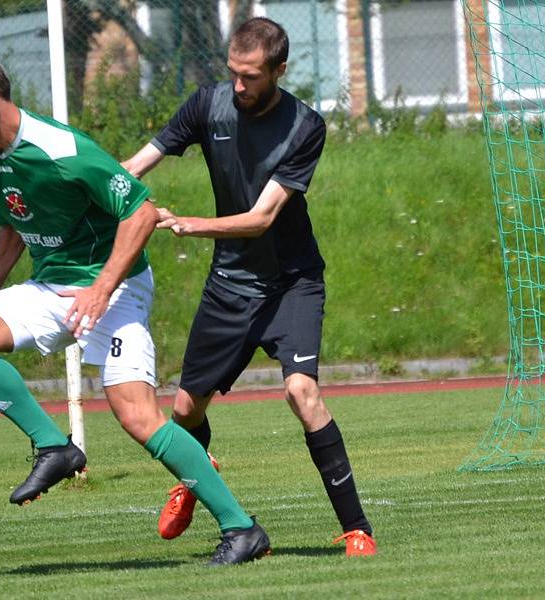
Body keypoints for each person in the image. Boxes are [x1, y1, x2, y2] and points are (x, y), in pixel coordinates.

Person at [0, 52, 271, 566]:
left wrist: (102, 288)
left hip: (117, 289)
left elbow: (139, 212)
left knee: (138, 417)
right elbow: (13, 227)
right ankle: (55, 447)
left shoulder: (64, 150)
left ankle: (242, 530)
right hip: (54, 287)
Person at [122, 17, 376, 557]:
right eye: (234, 74)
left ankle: (357, 530)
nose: (239, 87)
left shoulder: (305, 126)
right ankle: (197, 472)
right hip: (230, 285)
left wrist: (189, 223)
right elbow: (140, 163)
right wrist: (91, 184)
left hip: (291, 283)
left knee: (301, 392)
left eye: (252, 77)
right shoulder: (205, 104)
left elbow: (261, 218)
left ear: (279, 71)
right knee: (187, 408)